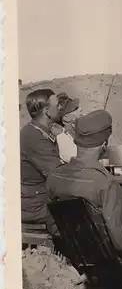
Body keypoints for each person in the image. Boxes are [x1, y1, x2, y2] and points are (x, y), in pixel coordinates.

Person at [46, 109, 122, 281]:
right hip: (115, 264)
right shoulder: (105, 183)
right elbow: (121, 242)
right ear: (104, 144)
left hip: (79, 259)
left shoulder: (54, 176)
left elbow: (53, 227)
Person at [20, 89, 62, 231]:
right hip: (34, 205)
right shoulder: (35, 138)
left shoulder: (37, 131)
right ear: (47, 111)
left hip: (37, 199)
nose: (60, 107)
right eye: (57, 105)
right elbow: (57, 174)